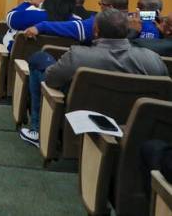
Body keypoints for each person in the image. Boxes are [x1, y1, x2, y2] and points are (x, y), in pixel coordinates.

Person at [19, 8, 167, 146]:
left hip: (80, 122)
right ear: (128, 30)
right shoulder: (153, 59)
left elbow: (50, 80)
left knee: (39, 59)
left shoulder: (78, 56)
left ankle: (37, 130)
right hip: (132, 128)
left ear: (95, 31)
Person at [0, 0, 79, 95]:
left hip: (21, 57)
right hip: (57, 65)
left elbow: (10, 19)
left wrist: (26, 3)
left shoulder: (35, 16)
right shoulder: (77, 24)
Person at [22, 0, 130, 45]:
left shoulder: (95, 23)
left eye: (101, 4)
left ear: (110, 7)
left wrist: (40, 27)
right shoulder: (139, 21)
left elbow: (68, 27)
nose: (100, 7)